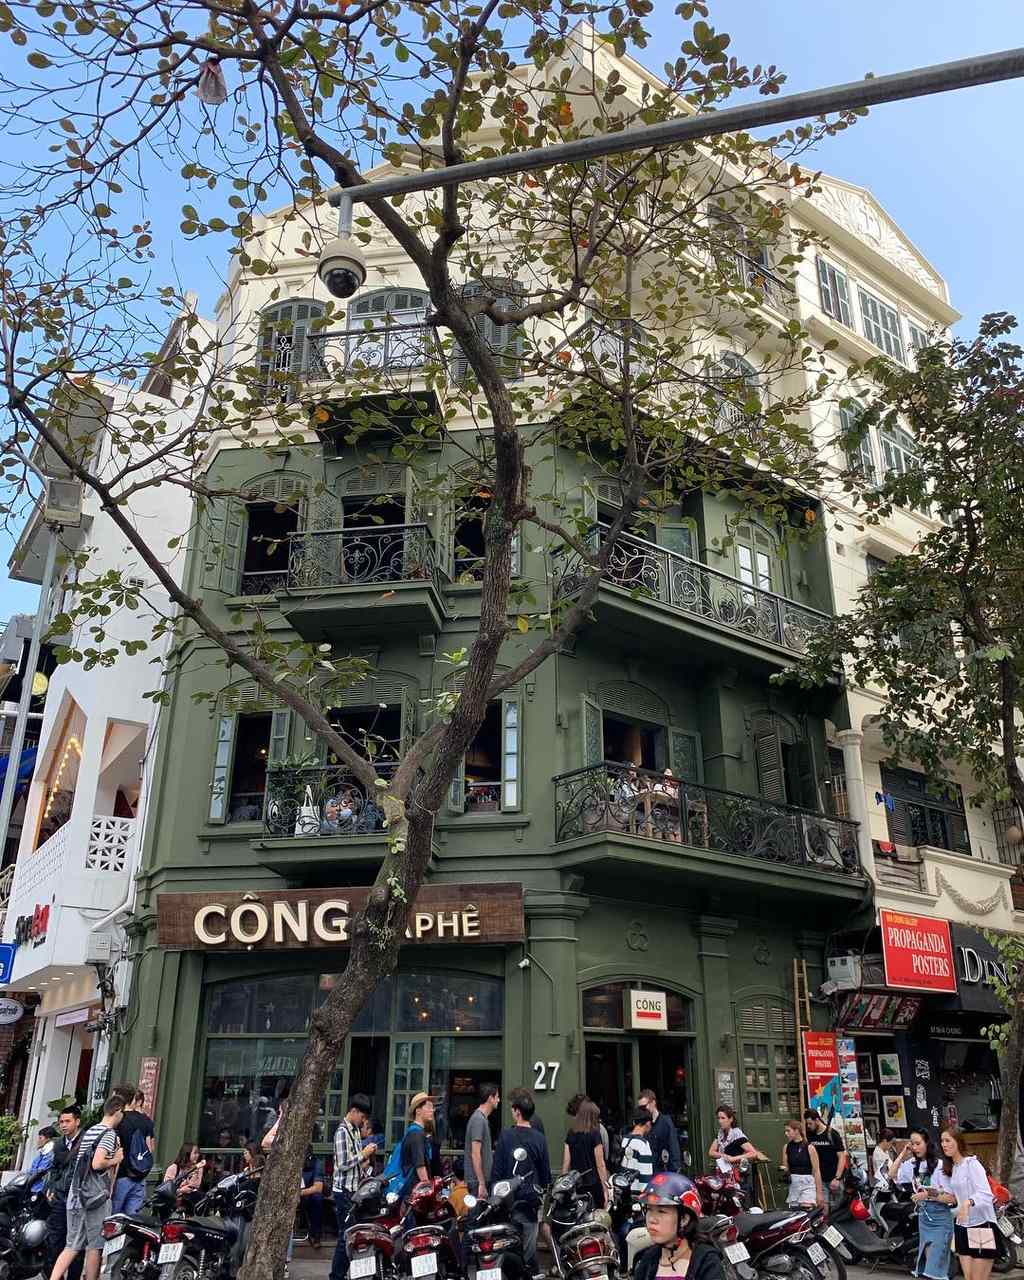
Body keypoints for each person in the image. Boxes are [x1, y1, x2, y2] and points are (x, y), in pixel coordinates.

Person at [49, 1094, 125, 1280]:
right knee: (95, 1246)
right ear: (117, 1111)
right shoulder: (108, 1134)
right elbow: (97, 1163)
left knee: (72, 1245)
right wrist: (116, 1159)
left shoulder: (90, 1131)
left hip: (77, 1194)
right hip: (94, 1198)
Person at [492, 1087, 551, 1272]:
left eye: (512, 1108)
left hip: (507, 1200)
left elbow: (497, 1172)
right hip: (530, 1201)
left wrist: (495, 1193)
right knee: (529, 1251)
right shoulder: (540, 1139)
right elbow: (546, 1175)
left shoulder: (506, 1136)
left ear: (517, 1112)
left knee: (505, 1247)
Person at [632, 1172, 725, 1280]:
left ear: (684, 1219)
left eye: (661, 1211)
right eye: (649, 1209)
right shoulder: (648, 1259)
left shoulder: (707, 1261)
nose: (652, 1219)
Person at [892, 1128, 954, 1280]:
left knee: (935, 1267)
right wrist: (902, 1154)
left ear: (927, 1143)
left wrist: (927, 1195)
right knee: (927, 1267)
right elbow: (892, 1174)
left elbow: (952, 1198)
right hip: (924, 1217)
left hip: (940, 1217)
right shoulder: (911, 1164)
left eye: (918, 1143)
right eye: (912, 1144)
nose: (915, 1147)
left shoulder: (940, 1165)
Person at [939, 1127, 998, 1280]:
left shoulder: (972, 1163)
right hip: (962, 1226)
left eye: (947, 1140)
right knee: (968, 1277)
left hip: (981, 1224)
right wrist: (931, 1195)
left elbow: (985, 1193)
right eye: (942, 1141)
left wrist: (967, 1203)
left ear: (958, 1142)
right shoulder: (954, 1167)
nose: (944, 1144)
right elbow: (954, 1198)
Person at [330, 1094, 375, 1280]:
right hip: (343, 1192)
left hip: (353, 1190)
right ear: (354, 1111)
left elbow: (354, 1162)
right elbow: (343, 1164)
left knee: (352, 1235)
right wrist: (363, 1153)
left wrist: (365, 1162)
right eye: (362, 1117)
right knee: (346, 1237)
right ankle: (336, 1276)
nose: (363, 1121)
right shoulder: (342, 1132)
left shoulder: (355, 1130)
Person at [45, 1107, 83, 1280]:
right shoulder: (59, 1143)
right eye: (61, 1122)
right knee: (54, 1240)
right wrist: (51, 1188)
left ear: (77, 1121)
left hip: (77, 1198)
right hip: (60, 1197)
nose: (63, 1125)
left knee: (76, 1242)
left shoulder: (85, 1142)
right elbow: (54, 1169)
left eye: (68, 1121)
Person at [112, 1089, 155, 1216]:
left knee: (113, 1219)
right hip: (140, 1176)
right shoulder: (145, 1120)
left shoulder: (118, 1119)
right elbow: (150, 1149)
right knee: (132, 1220)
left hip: (121, 1175)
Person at [563, 1098, 609, 1208]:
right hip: (593, 1184)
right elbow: (600, 1164)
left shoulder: (571, 1133)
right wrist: (605, 1188)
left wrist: (564, 1184)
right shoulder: (595, 1133)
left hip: (576, 1184)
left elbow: (566, 1163)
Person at [803, 1109, 847, 1208]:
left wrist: (837, 1178)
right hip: (820, 1179)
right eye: (807, 1124)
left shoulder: (832, 1134)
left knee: (836, 1209)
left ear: (817, 1120)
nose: (808, 1126)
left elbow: (841, 1157)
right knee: (823, 1209)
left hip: (834, 1177)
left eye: (810, 1123)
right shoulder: (810, 1135)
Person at [398, 1093, 442, 1188]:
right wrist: (427, 1187)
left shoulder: (415, 1132)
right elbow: (420, 1166)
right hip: (414, 1188)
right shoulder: (416, 1134)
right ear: (418, 1111)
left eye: (432, 1107)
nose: (432, 1110)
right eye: (428, 1107)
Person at [464, 1082, 500, 1198]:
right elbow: (475, 1153)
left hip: (479, 1181)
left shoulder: (481, 1119)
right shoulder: (478, 1120)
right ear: (490, 1098)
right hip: (477, 1182)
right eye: (497, 1097)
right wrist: (481, 1183)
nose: (498, 1100)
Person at [780, 1119, 823, 1210]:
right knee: (794, 1212)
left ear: (796, 1131)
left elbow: (816, 1171)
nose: (786, 1134)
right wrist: (784, 1170)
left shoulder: (809, 1147)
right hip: (794, 1182)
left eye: (788, 1131)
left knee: (806, 1209)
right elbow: (786, 1167)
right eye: (785, 1131)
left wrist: (819, 1193)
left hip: (807, 1182)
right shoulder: (786, 1147)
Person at [708, 1105, 762, 1178]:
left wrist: (733, 1158)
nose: (720, 1121)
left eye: (723, 1118)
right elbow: (711, 1152)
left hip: (736, 1175)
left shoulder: (736, 1134)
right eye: (718, 1118)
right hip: (723, 1172)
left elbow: (753, 1153)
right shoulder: (721, 1133)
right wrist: (723, 1155)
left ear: (731, 1119)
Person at [638, 1089, 681, 1173]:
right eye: (640, 1108)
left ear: (653, 1103)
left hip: (661, 1173)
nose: (642, 1111)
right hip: (646, 1172)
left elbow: (674, 1149)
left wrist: (673, 1172)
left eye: (644, 1107)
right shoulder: (641, 1124)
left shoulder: (665, 1122)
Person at [299, 1147, 325, 1248]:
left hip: (308, 1193)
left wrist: (300, 1193)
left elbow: (318, 1188)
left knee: (317, 1198)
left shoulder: (317, 1164)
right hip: (293, 1193)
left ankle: (315, 1235)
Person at [620, 1111, 655, 1183]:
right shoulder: (643, 1144)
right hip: (637, 1187)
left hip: (623, 1184)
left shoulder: (625, 1140)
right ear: (648, 1123)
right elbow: (646, 1175)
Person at [30, 1126, 57, 1192]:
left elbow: (39, 1172)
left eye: (40, 1138)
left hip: (39, 1189)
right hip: (33, 1187)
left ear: (47, 1139)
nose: (38, 1141)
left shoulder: (50, 1154)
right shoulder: (43, 1153)